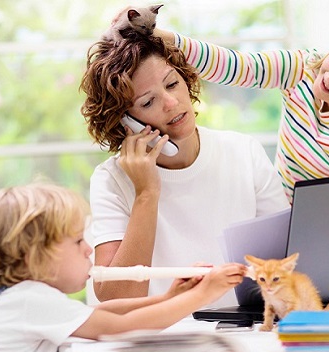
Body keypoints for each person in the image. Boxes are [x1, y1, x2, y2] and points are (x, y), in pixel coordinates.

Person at [79, 33, 289, 306]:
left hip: (241, 331)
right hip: (155, 337)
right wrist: (146, 193)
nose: (171, 102)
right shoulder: (111, 180)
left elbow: (288, 263)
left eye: (172, 84)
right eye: (147, 102)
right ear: (124, 123)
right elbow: (117, 298)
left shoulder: (243, 151)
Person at [0, 183, 247, 352]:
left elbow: (105, 314)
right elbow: (121, 328)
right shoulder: (28, 300)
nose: (87, 249)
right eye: (78, 240)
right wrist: (204, 295)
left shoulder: (16, 299)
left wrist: (171, 297)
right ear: (34, 257)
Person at [152, 26, 329, 202]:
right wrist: (172, 40)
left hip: (322, 227)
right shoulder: (302, 68)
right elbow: (238, 67)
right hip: (274, 208)